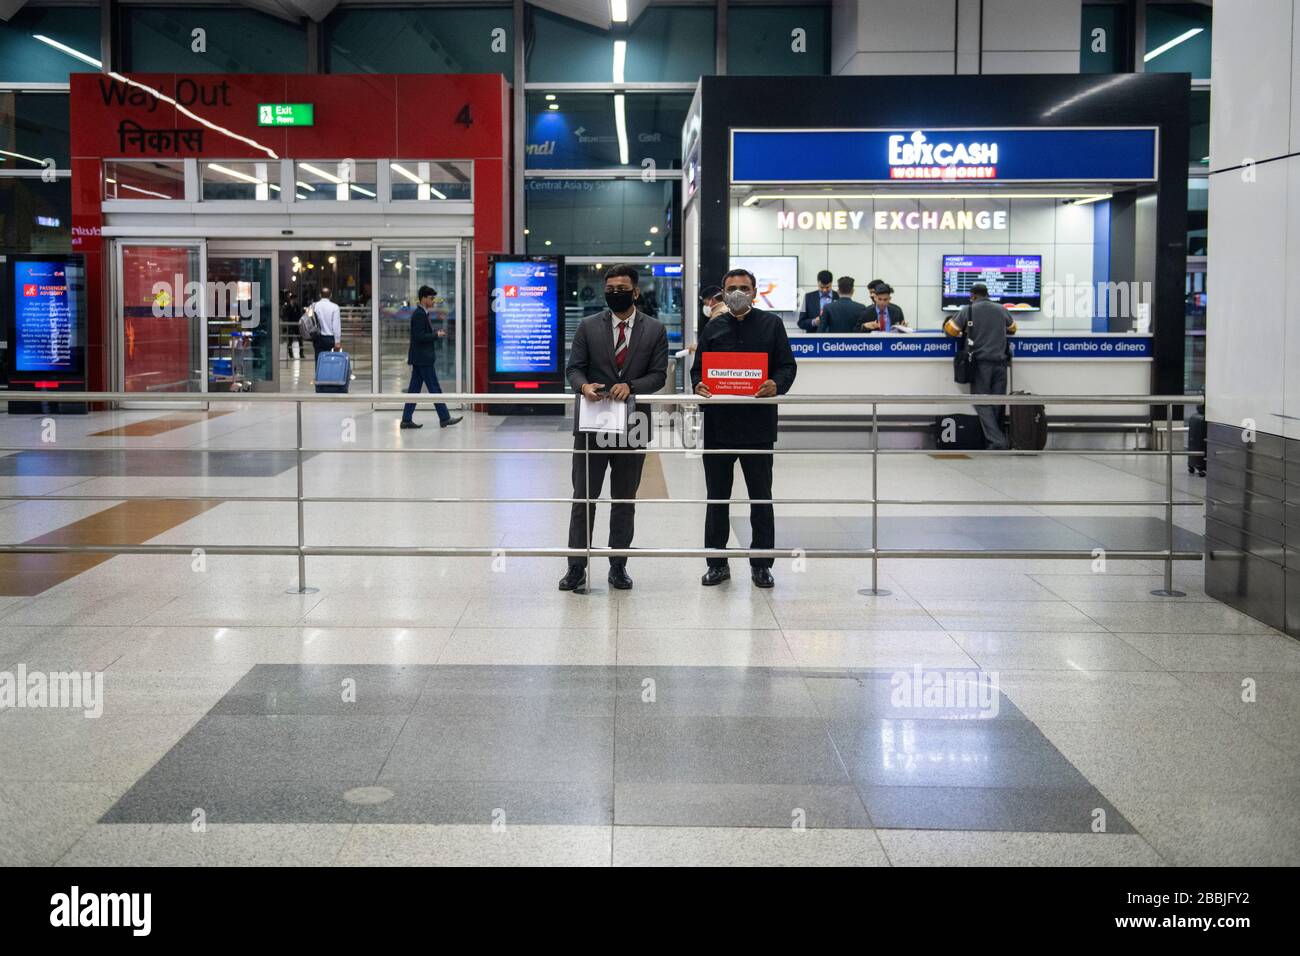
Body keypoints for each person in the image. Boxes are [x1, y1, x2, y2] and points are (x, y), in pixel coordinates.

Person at [559, 264, 669, 593]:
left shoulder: (654, 329)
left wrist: (632, 386)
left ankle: (618, 565)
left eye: (621, 288)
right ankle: (576, 566)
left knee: (624, 499)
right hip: (593, 421)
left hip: (634, 422)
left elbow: (659, 375)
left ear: (635, 292)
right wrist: (583, 387)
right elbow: (573, 368)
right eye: (610, 288)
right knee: (584, 497)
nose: (614, 293)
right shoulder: (588, 326)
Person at [690, 268, 798, 589]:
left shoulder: (771, 324)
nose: (738, 291)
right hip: (719, 426)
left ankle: (762, 564)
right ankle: (717, 563)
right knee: (717, 498)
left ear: (754, 291)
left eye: (744, 287)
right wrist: (698, 385)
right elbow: (698, 371)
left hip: (757, 427)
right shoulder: (713, 327)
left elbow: (787, 365)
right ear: (722, 292)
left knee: (760, 498)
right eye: (732, 287)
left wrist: (775, 384)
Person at [944, 282, 1016, 449]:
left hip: (980, 364)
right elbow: (1013, 328)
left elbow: (951, 331)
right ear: (987, 294)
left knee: (981, 402)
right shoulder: (1001, 309)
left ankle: (997, 441)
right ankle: (995, 439)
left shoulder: (968, 310)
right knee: (996, 402)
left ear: (973, 296)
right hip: (1001, 363)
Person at [400, 285, 462, 430]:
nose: (434, 301)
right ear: (423, 298)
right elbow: (419, 337)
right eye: (431, 298)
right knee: (434, 388)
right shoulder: (419, 315)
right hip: (423, 359)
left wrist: (434, 333)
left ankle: (406, 420)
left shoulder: (423, 313)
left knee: (414, 390)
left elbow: (420, 334)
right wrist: (436, 335)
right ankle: (445, 418)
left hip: (421, 358)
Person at [313, 287, 341, 356]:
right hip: (330, 338)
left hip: (317, 337)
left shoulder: (314, 306)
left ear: (320, 295)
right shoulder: (335, 307)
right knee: (331, 360)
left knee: (319, 359)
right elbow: (336, 326)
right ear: (330, 295)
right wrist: (337, 341)